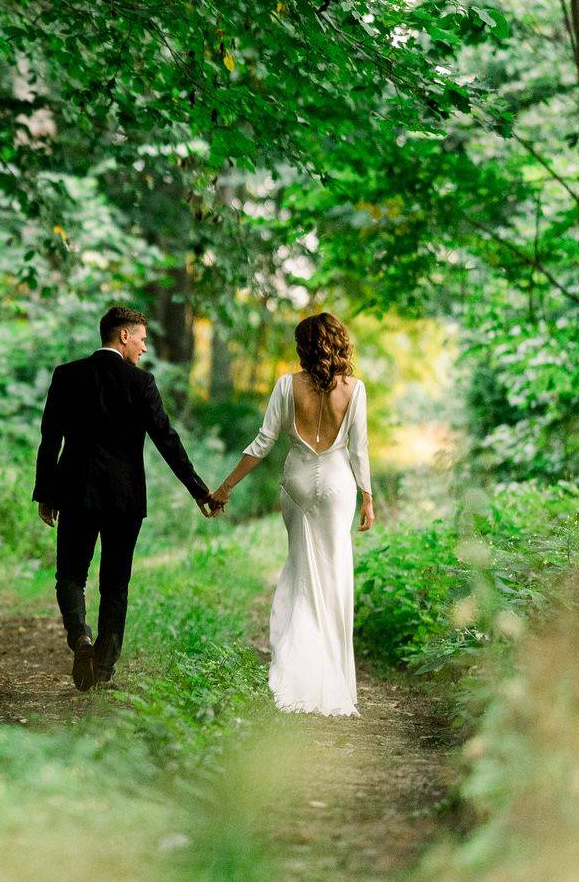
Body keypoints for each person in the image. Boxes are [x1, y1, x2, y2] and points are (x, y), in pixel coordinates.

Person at [34, 305, 218, 692]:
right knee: (115, 584)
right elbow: (167, 439)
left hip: (76, 494)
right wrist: (198, 490)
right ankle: (102, 668)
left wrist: (46, 494)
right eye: (142, 339)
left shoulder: (67, 375)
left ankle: (80, 639)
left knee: (70, 576)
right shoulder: (141, 383)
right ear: (123, 336)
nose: (144, 348)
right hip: (124, 498)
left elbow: (50, 438)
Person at [209, 312, 374, 716]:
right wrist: (368, 498)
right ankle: (331, 677)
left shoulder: (287, 386)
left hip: (298, 482)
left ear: (304, 347)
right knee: (334, 578)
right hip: (337, 487)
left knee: (300, 574)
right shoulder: (354, 390)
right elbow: (358, 450)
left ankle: (296, 673)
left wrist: (226, 487)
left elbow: (262, 443)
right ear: (338, 343)